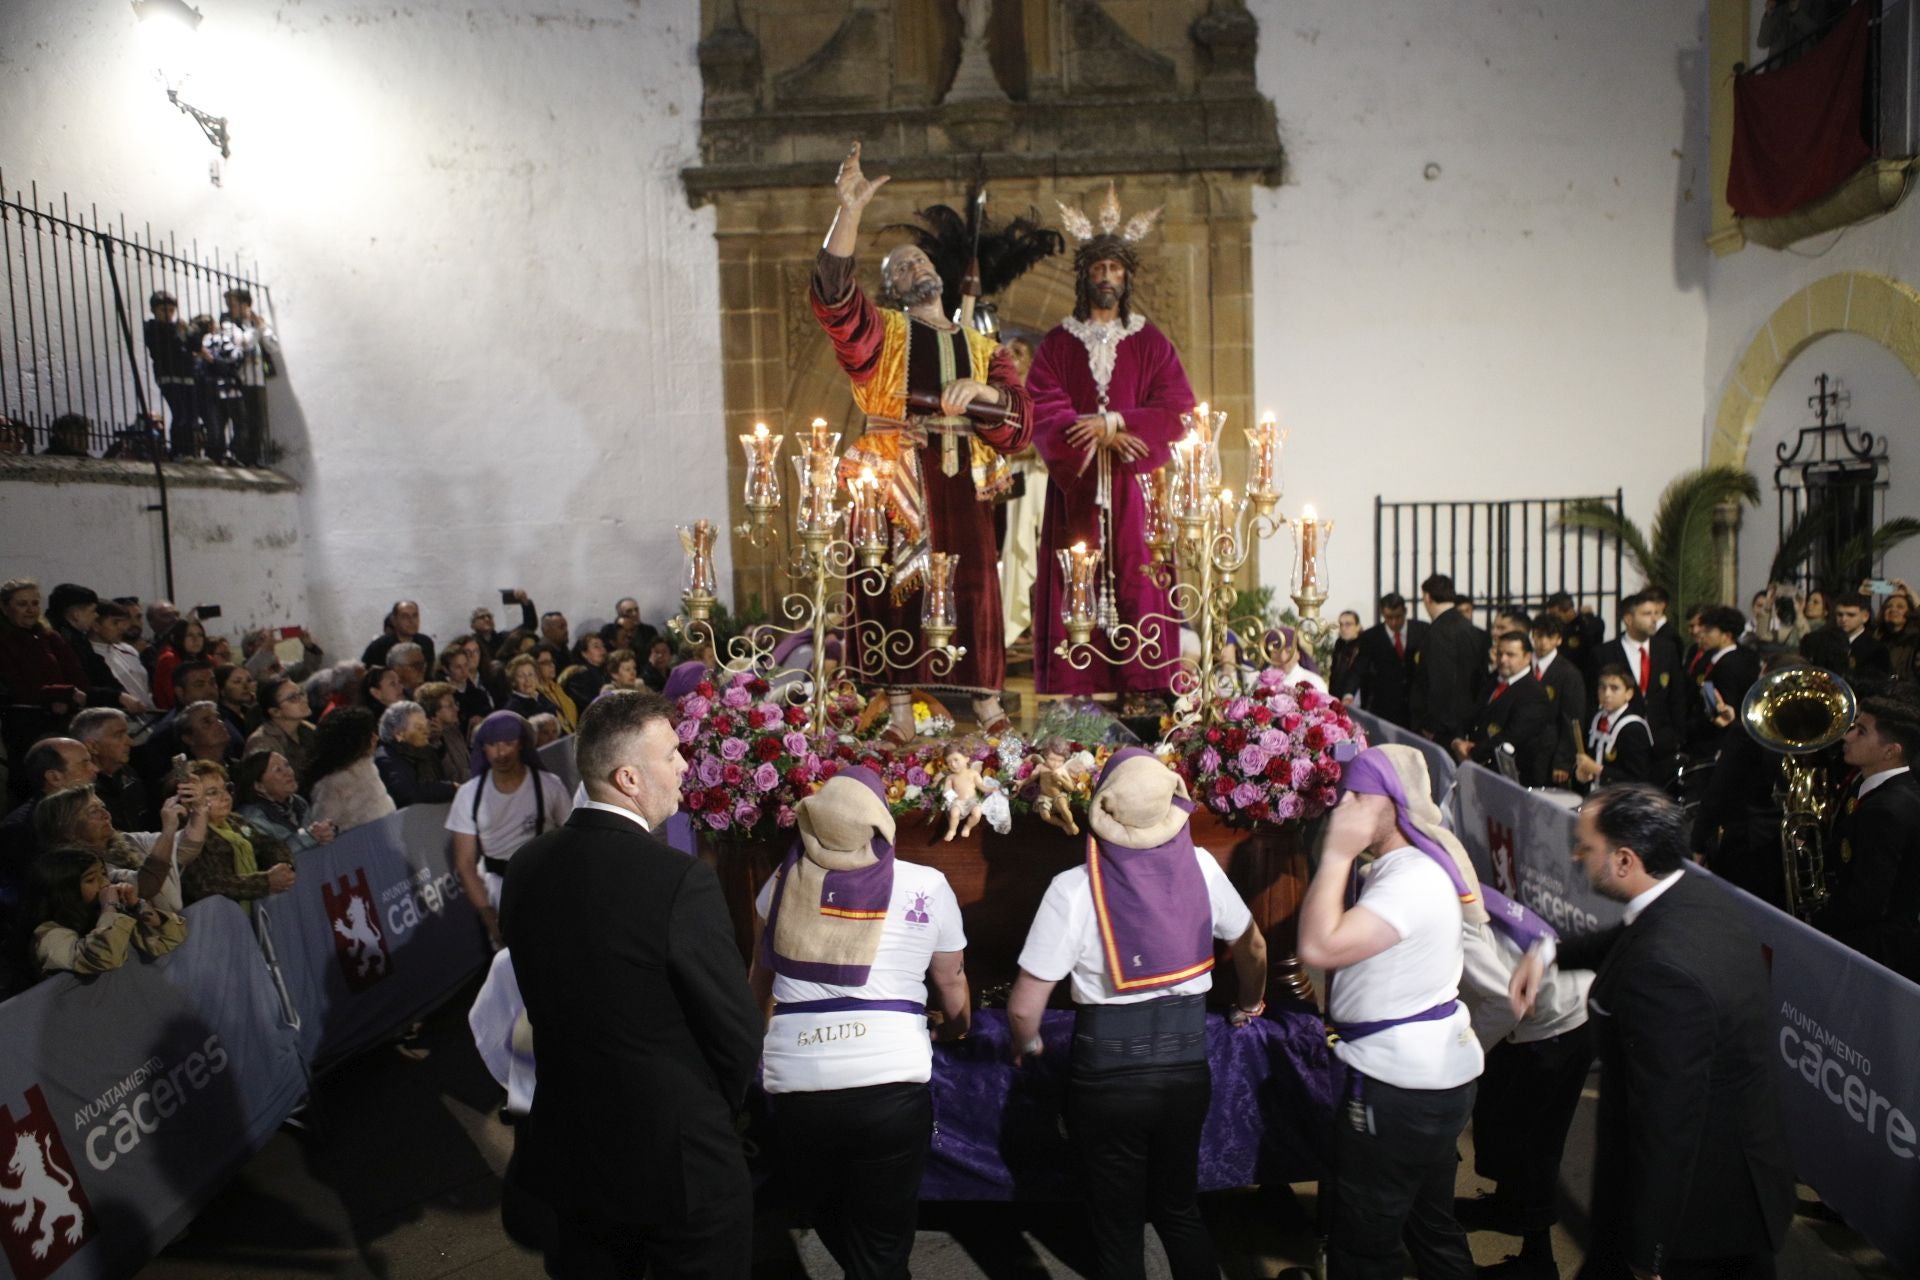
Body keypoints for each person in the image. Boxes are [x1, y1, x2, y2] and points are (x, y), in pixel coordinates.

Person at [500, 690, 759, 1278]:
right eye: (671, 755)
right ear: (629, 778)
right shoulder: (678, 880)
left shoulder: (526, 866)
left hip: (570, 1151)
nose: (685, 767)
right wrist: (708, 1112)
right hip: (678, 1162)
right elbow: (735, 1031)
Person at [1511, 786, 1795, 1279]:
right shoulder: (1693, 894)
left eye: (1586, 847)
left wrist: (1648, 1254)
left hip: (1693, 1226)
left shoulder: (1662, 975)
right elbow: (1627, 937)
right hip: (1733, 1186)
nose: (1576, 856)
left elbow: (1666, 1124)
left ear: (1624, 860)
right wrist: (1549, 952)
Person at [1008, 748, 1267, 1280]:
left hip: (1103, 1081)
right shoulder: (1201, 868)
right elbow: (1255, 948)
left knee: (1117, 1225)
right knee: (1178, 1210)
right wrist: (1248, 1002)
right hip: (1184, 1071)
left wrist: (1028, 1046)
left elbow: (1022, 1008)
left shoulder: (1073, 888)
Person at [812, 142, 1034, 742]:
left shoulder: (986, 350)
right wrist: (849, 214)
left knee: (977, 590)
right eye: (898, 270)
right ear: (891, 291)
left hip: (963, 478)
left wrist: (979, 394)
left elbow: (1019, 423)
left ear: (936, 272)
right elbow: (836, 304)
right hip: (898, 474)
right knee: (894, 592)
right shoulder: (882, 334)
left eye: (915, 261)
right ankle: (901, 710)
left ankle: (988, 705)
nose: (911, 269)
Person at [749, 765, 971, 1279]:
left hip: (797, 1085)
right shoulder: (926, 884)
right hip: (888, 1086)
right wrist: (956, 1029)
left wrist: (753, 1050)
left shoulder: (783, 881)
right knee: (883, 1247)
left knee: (831, 1214)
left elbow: (757, 980)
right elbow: (953, 982)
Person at [1297, 745, 1503, 1279]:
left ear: (1393, 802)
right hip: (1430, 1081)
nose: (1345, 805)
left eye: (1360, 796)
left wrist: (1337, 855)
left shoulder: (1411, 878)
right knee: (1430, 1225)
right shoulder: (1410, 861)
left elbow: (1318, 948)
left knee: (1365, 1244)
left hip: (1398, 1089)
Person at [1025, 189, 1191, 712]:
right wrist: (1086, 430)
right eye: (1099, 268)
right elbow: (1041, 404)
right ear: (1084, 277)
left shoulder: (1149, 341)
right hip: (1077, 490)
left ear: (1127, 278)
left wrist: (1116, 425)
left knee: (1141, 575)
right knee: (1076, 576)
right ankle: (1076, 694)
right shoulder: (1057, 342)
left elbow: (1177, 406)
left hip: (1134, 485)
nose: (1107, 277)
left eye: (1116, 269)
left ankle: (1143, 689)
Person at [1815, 696, 1920, 979]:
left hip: (1873, 956)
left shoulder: (1888, 809)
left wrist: (1815, 921)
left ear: (1890, 751)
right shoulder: (1874, 790)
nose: (1847, 736)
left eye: (1861, 731)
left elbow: (1868, 900)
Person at [449, 710, 573, 949]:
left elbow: (572, 839)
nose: (501, 752)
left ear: (522, 744)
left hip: (547, 883)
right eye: (493, 745)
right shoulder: (469, 795)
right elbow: (464, 863)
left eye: (508, 743)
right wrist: (488, 915)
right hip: (499, 889)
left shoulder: (548, 786)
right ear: (483, 749)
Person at [18, 847, 187, 980]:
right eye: (91, 880)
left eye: (104, 873)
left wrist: (137, 905)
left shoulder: (108, 914)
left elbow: (167, 940)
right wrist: (109, 906)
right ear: (65, 891)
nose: (105, 883)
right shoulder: (48, 934)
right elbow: (105, 956)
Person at [179, 758, 299, 907]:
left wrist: (283, 866)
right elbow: (206, 885)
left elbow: (269, 844)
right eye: (213, 792)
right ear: (190, 800)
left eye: (226, 788)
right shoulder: (187, 837)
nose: (225, 797)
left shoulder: (234, 821)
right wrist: (264, 882)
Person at [1595, 592, 1687, 767]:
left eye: (1656, 614)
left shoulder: (1666, 649)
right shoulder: (1605, 653)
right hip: (1623, 741)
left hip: (1663, 743)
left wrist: (1678, 735)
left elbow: (1677, 695)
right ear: (1628, 619)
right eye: (1646, 614)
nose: (1654, 619)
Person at [1453, 632, 1555, 787]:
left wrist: (1472, 752)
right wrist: (1458, 740)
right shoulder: (1493, 682)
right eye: (1500, 653)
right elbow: (1471, 715)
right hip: (1480, 772)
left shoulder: (1534, 693)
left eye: (1510, 655)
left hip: (1512, 779)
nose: (1502, 659)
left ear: (1527, 657)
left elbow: (1513, 736)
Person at [0, 578, 90, 730]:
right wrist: (62, 694)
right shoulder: (4, 641)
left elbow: (77, 676)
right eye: (22, 604)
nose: (30, 610)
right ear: (4, 608)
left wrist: (69, 699)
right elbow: (15, 687)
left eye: (35, 603)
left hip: (66, 718)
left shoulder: (50, 637)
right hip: (24, 722)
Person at [1411, 573, 1483, 744]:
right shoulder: (1469, 628)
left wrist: (1431, 725)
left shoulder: (1439, 632)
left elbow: (1441, 681)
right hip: (1469, 718)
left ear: (1427, 597)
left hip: (1444, 726)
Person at [1683, 605, 1761, 760]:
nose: (1702, 635)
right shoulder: (1715, 658)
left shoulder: (1729, 665)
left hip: (1717, 743)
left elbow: (1723, 708)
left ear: (1726, 635)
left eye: (1709, 631)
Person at [303, 707, 398, 832]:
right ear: (352, 740)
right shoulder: (332, 784)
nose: (376, 738)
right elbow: (324, 828)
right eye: (369, 735)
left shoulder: (367, 765)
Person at [234, 749, 337, 855]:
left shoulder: (298, 802)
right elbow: (271, 856)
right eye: (278, 770)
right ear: (260, 786)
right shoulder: (251, 818)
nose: (288, 773)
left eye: (287, 765)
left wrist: (325, 833)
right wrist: (309, 837)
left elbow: (314, 834)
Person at [1529, 614, 1587, 787]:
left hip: (1550, 752)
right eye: (1539, 635)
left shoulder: (1569, 674)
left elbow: (1572, 719)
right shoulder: (1523, 665)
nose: (1543, 642)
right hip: (1523, 750)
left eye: (1550, 636)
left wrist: (1563, 761)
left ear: (1559, 640)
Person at [143, 289, 202, 458]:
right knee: (180, 413)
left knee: (191, 416)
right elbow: (162, 348)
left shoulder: (177, 327)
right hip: (168, 376)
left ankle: (190, 452)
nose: (168, 314)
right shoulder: (152, 327)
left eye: (171, 310)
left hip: (187, 375)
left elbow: (196, 347)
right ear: (154, 311)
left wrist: (189, 332)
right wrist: (178, 334)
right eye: (163, 310)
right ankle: (178, 452)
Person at [1577, 665, 1656, 789]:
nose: (1606, 694)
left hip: (1623, 801)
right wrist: (1582, 773)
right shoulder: (1596, 719)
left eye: (1614, 688)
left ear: (1629, 694)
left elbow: (1638, 779)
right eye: (1602, 687)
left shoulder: (1634, 728)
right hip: (1597, 796)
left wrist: (1598, 770)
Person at [71, 707, 148, 834]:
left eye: (127, 734)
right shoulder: (81, 789)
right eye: (119, 735)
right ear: (93, 746)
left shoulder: (128, 774)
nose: (130, 742)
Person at [1357, 592, 1425, 727]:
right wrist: (1349, 694)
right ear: (1382, 614)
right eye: (1389, 618)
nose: (1394, 622)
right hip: (1385, 708)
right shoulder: (1370, 637)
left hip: (1417, 709)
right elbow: (1360, 668)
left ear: (1405, 612)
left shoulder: (1422, 631)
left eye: (1398, 617)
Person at [375, 700, 458, 807]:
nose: (426, 731)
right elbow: (409, 795)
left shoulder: (427, 752)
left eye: (426, 725)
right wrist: (450, 788)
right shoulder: (386, 759)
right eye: (419, 727)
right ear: (399, 734)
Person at [87, 600, 156, 712]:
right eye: (115, 623)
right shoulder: (88, 655)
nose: (122, 628)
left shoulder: (128, 650)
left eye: (122, 623)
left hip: (149, 717)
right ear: (96, 625)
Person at [247, 674, 319, 777]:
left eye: (301, 693)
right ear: (275, 711)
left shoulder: (307, 728)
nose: (304, 700)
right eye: (293, 698)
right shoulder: (262, 743)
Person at [413, 680, 471, 780]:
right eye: (450, 706)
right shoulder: (430, 740)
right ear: (433, 712)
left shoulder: (453, 729)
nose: (456, 708)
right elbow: (452, 776)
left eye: (455, 703)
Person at [1830, 591, 1892, 681]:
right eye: (1840, 614)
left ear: (1865, 616)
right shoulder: (1828, 643)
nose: (1844, 619)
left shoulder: (1876, 649)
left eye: (1851, 615)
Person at [150, 616, 208, 711]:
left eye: (200, 635)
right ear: (178, 638)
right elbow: (174, 699)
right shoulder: (169, 660)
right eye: (189, 635)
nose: (196, 639)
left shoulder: (206, 660)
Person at [362, 600, 437, 671]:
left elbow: (429, 673)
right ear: (394, 621)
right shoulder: (379, 646)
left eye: (415, 616)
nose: (411, 621)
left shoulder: (426, 643)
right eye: (405, 616)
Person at [441, 640, 495, 732]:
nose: (463, 670)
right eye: (458, 667)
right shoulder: (442, 696)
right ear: (446, 669)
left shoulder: (479, 695)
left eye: (466, 665)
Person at [1873, 582, 1918, 682]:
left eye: (1900, 607)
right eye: (1888, 606)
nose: (1893, 609)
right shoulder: (1878, 639)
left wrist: (1910, 592)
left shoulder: (1915, 641)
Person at [532, 644, 579, 734]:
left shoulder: (556, 687)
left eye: (552, 661)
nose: (551, 665)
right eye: (545, 663)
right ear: (534, 667)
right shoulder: (536, 696)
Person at [502, 653, 562, 722]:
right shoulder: (513, 709)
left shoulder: (542, 697)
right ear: (513, 681)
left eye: (530, 674)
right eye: (521, 676)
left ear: (536, 676)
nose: (527, 680)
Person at [562, 633, 611, 710]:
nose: (602, 650)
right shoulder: (578, 675)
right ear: (584, 654)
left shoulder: (607, 671)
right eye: (596, 646)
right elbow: (585, 702)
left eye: (603, 646)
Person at [214, 663, 261, 739]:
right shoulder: (222, 719)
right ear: (222, 689)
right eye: (237, 682)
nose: (246, 686)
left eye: (249, 680)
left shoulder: (248, 712)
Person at [1328, 611, 1365, 704]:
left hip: (1355, 696)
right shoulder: (1339, 644)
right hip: (1337, 695)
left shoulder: (1364, 645)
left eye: (1348, 624)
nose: (1343, 628)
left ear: (1358, 627)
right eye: (1341, 624)